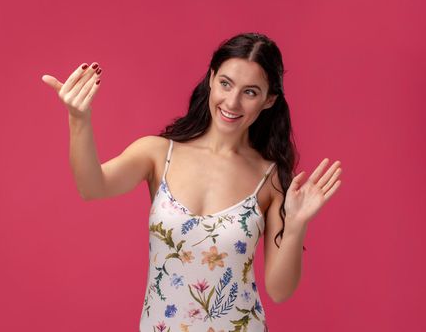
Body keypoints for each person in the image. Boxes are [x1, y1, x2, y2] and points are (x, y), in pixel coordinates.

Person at [41, 32, 342, 332]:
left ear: (268, 100)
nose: (232, 102)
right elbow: (92, 187)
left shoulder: (270, 178)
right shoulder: (158, 153)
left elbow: (279, 290)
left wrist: (297, 225)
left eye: (250, 92)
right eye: (226, 83)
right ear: (211, 79)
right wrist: (78, 119)